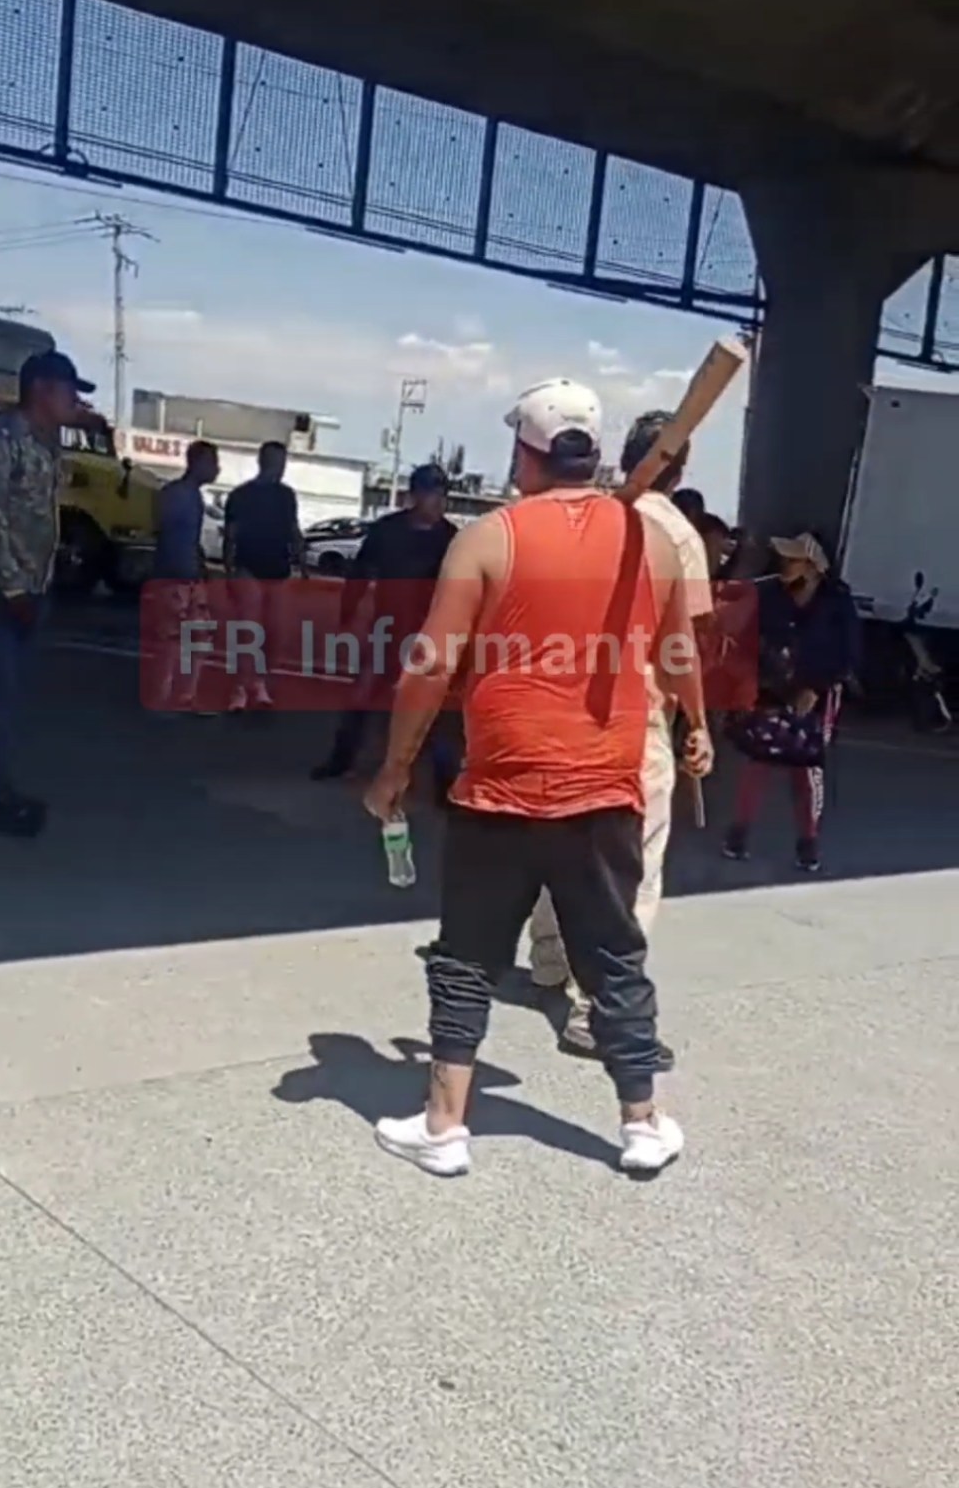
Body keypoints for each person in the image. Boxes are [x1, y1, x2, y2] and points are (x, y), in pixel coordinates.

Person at [364, 378, 712, 1181]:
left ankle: (445, 1125)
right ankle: (642, 1121)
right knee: (615, 955)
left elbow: (430, 664)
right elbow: (680, 651)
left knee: (467, 956)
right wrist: (697, 727)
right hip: (604, 791)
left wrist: (395, 767)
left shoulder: (489, 539)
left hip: (502, 790)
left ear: (526, 452)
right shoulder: (649, 542)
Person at [529, 407, 714, 1052]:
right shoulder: (676, 536)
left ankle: (550, 958)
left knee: (566, 842)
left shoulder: (587, 517)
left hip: (564, 706)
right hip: (635, 719)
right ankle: (599, 1006)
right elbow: (681, 644)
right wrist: (697, 718)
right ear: (680, 466)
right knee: (632, 865)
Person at [0, 347, 94, 835]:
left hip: (30, 587)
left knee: (7, 694)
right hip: (1, 588)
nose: (74, 401)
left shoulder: (45, 441)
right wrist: (15, 589)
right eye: (69, 391)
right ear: (41, 389)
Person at [312, 463, 459, 799]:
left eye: (442, 495)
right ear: (415, 496)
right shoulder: (387, 531)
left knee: (430, 711)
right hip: (386, 628)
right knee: (361, 696)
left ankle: (445, 784)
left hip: (427, 635)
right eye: (431, 494)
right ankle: (340, 760)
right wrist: (347, 611)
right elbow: (361, 573)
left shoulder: (451, 540)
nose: (438, 502)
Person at [723, 531, 860, 873]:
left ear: (813, 567)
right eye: (785, 557)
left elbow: (848, 652)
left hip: (817, 693)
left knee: (806, 769)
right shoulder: (768, 595)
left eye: (794, 558)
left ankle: (808, 842)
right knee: (758, 761)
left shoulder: (837, 601)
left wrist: (816, 686)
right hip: (771, 689)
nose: (786, 564)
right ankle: (737, 835)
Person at [223, 441, 304, 711]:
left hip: (278, 569)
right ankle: (239, 687)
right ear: (262, 461)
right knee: (248, 631)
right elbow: (231, 534)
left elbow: (294, 530)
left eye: (281, 463)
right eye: (274, 462)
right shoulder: (241, 495)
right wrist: (230, 568)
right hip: (249, 566)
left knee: (277, 632)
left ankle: (258, 682)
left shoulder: (286, 496)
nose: (278, 468)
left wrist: (301, 564)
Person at [152, 438, 220, 713]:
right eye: (214, 463)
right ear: (200, 463)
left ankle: (179, 696)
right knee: (174, 641)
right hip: (175, 579)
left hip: (187, 578)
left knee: (194, 639)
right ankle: (166, 696)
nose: (217, 470)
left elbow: (186, 539)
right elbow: (166, 535)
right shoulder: (179, 495)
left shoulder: (189, 495)